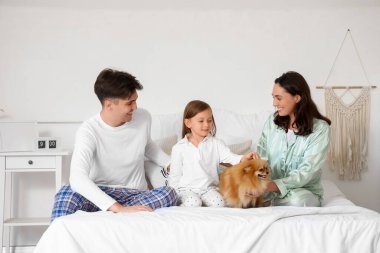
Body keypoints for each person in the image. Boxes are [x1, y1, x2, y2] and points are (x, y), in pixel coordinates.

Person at [51, 68, 178, 221]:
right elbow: (78, 178)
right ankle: (60, 243)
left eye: (135, 100)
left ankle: (113, 215)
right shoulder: (89, 130)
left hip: (135, 194)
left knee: (169, 193)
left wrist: (171, 163)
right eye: (129, 103)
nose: (135, 107)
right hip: (100, 192)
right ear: (109, 105)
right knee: (66, 194)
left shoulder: (143, 117)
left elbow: (147, 145)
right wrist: (117, 208)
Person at [257, 71, 331, 207]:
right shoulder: (272, 122)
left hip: (302, 191)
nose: (274, 103)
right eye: (273, 97)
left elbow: (306, 172)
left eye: (279, 98)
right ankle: (267, 200)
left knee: (297, 201)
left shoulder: (320, 129)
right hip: (267, 189)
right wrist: (255, 181)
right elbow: (262, 158)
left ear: (297, 98)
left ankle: (270, 202)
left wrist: (271, 186)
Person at [169, 100, 256, 207]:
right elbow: (174, 176)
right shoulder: (179, 148)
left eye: (209, 120)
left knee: (219, 203)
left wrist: (244, 158)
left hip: (208, 189)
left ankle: (204, 208)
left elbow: (231, 157)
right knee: (193, 203)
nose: (206, 124)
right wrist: (173, 195)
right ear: (188, 123)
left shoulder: (216, 144)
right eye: (201, 121)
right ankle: (185, 206)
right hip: (186, 190)